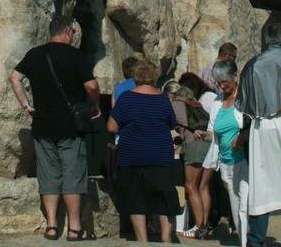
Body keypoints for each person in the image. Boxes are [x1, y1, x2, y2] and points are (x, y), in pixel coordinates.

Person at [9, 14, 100, 241]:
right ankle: (74, 227)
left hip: (43, 124)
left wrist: (26, 106)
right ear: (68, 31)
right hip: (70, 126)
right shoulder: (76, 56)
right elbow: (91, 85)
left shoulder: (35, 55)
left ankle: (51, 225)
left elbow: (14, 77)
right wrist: (95, 103)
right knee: (73, 175)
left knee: (48, 174)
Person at [235, 23, 281, 247]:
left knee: (260, 183)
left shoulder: (254, 64)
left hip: (261, 126)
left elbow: (242, 102)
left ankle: (256, 240)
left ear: (266, 40)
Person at [107, 58, 181, 243]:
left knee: (135, 198)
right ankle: (166, 240)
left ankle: (142, 241)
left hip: (132, 154)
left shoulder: (126, 98)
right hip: (160, 154)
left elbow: (111, 127)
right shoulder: (163, 99)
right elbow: (171, 122)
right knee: (165, 197)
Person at [195, 59, 249, 245]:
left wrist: (244, 136)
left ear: (235, 76)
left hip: (245, 160)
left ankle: (250, 242)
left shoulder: (245, 97)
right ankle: (245, 242)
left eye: (225, 81)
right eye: (218, 82)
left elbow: (257, 125)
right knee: (236, 209)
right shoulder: (218, 101)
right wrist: (202, 135)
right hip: (226, 164)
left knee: (244, 207)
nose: (222, 85)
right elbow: (212, 134)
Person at [164, 81, 211, 239]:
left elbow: (174, 127)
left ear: (170, 95)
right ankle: (204, 226)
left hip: (194, 144)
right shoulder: (195, 103)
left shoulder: (174, 104)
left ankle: (199, 228)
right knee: (203, 187)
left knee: (191, 187)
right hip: (208, 143)